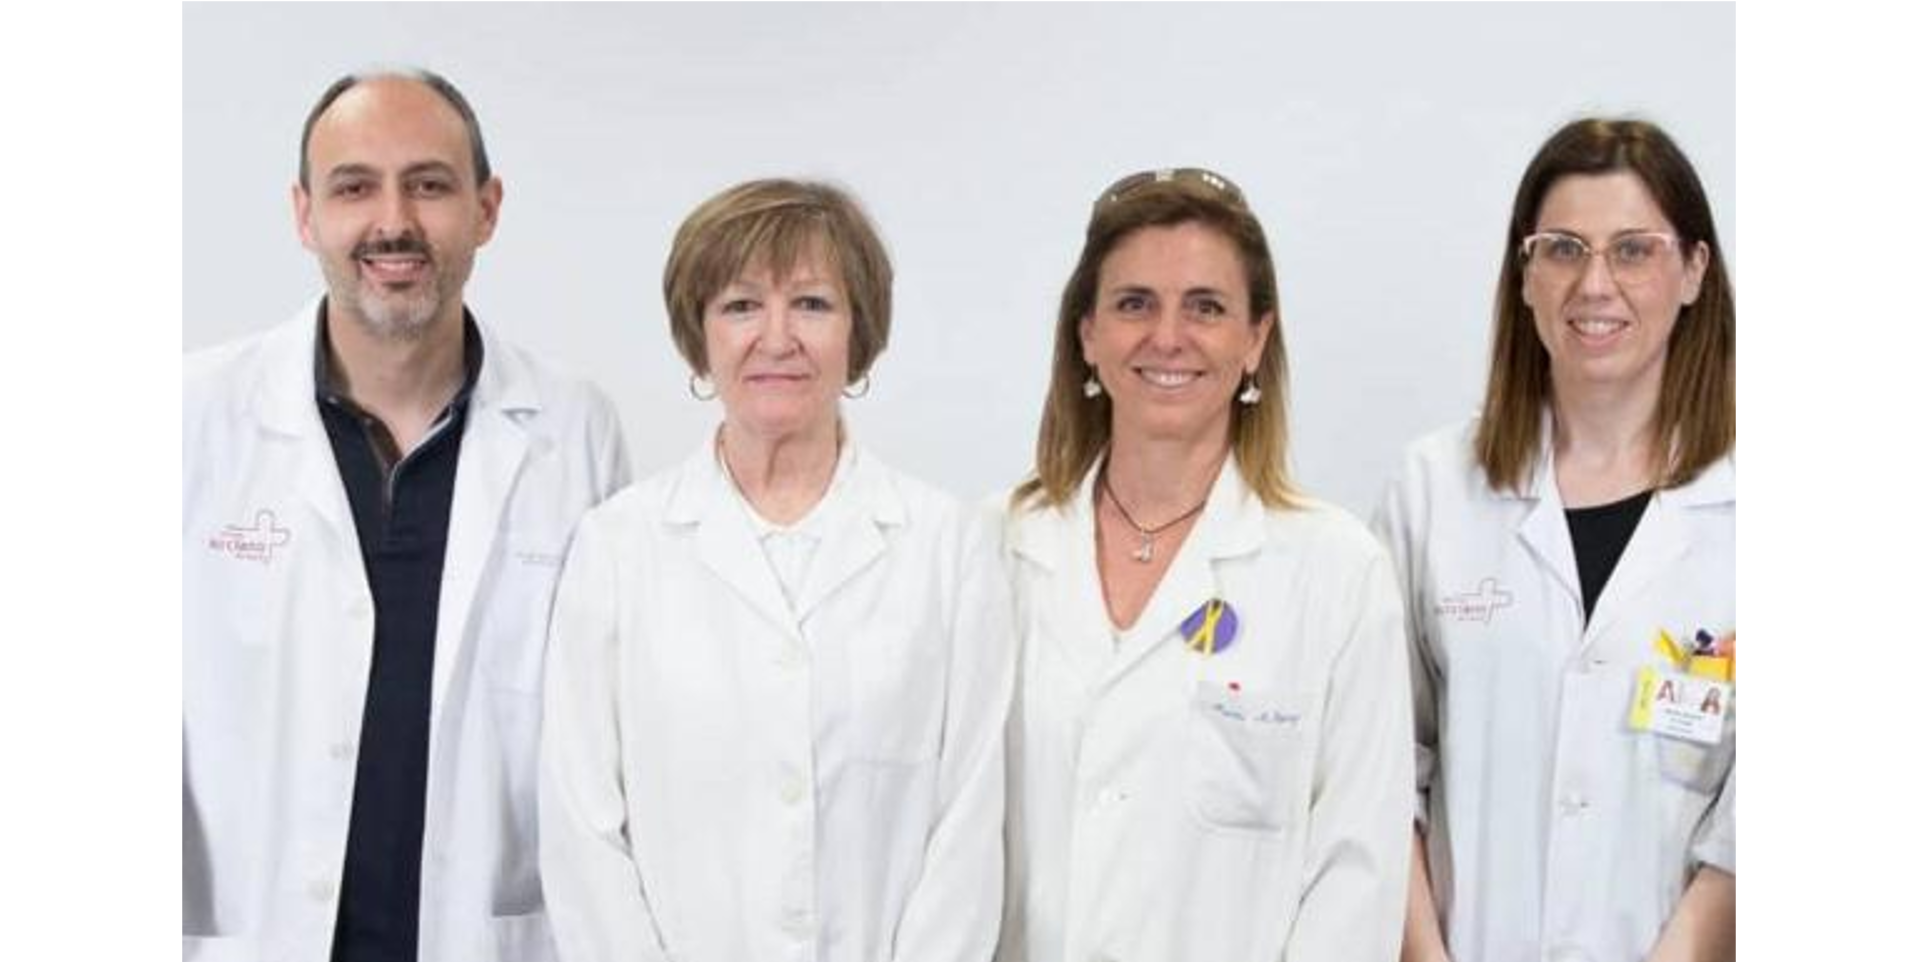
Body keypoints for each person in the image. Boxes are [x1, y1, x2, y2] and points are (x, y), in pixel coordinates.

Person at [183, 69, 631, 962]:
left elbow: (609, 733)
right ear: (305, 214)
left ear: (486, 209)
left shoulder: (575, 429)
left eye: (429, 184)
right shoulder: (187, 419)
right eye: (355, 187)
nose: (393, 221)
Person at [539, 179, 1015, 962]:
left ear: (860, 330)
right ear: (699, 335)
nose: (777, 337)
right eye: (740, 305)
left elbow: (967, 827)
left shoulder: (948, 547)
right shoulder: (619, 547)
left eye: (813, 304)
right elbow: (582, 828)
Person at [996, 168, 1414, 962]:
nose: (1168, 337)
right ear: (1087, 334)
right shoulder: (998, 546)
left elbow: (1356, 875)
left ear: (1256, 339)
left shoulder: (1335, 570)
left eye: (1206, 307)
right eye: (1134, 303)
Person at [1374, 118, 1735, 962]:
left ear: (1693, 271)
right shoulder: (1433, 491)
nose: (1595, 284)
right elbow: (1374, 767)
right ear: (1525, 274)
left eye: (1634, 250)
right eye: (1564, 249)